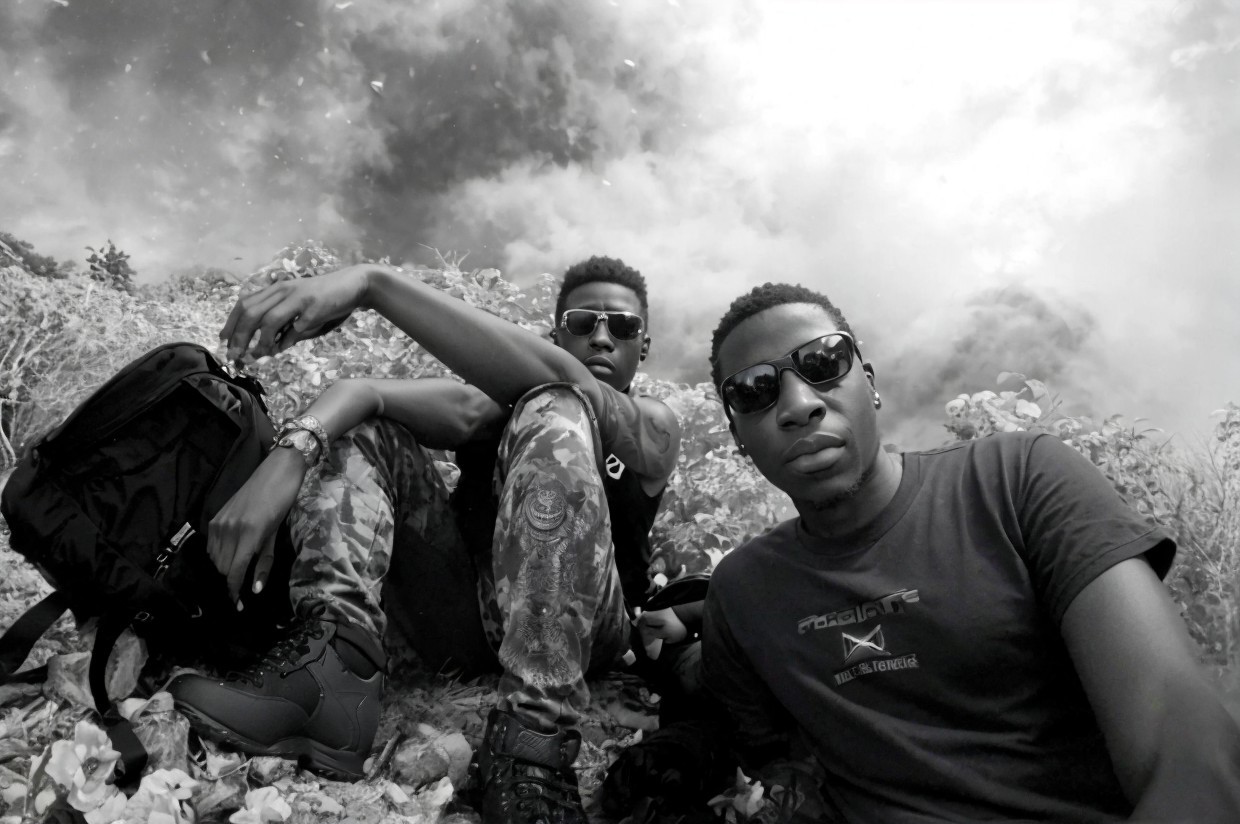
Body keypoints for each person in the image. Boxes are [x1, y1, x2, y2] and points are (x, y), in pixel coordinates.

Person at [698, 282, 1240, 822]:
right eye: (753, 391)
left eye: (823, 362)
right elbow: (761, 755)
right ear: (738, 434)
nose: (798, 405)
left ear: (869, 382)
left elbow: (1190, 756)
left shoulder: (1018, 481)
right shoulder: (743, 592)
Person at [167, 256, 682, 822]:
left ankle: (533, 740)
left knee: (558, 404)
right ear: (557, 333)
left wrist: (372, 284)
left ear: (644, 346)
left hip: (587, 630)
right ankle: (333, 673)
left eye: (623, 327)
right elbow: (362, 393)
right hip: (462, 618)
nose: (603, 337)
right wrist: (292, 452)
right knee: (365, 430)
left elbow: (570, 386)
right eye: (584, 323)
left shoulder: (651, 428)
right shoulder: (491, 410)